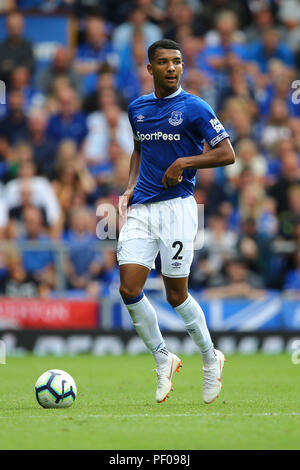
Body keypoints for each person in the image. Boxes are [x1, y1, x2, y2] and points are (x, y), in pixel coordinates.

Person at [117, 39, 235, 404]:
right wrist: (129, 187)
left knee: (175, 294)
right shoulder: (137, 107)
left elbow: (227, 153)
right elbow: (140, 148)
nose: (172, 68)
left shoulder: (195, 107)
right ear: (150, 69)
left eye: (178, 62)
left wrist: (185, 163)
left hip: (178, 209)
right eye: (164, 62)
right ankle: (163, 357)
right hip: (142, 208)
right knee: (128, 288)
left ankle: (209, 356)